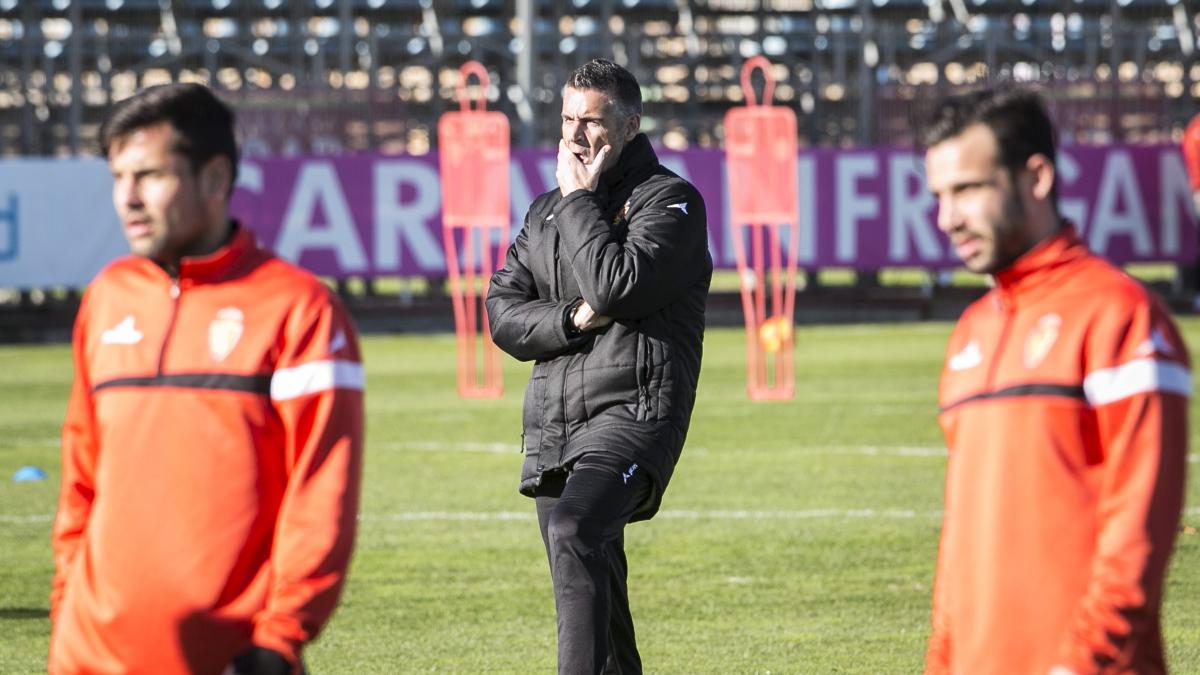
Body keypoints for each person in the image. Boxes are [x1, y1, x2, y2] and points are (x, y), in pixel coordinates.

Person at [51, 83, 365, 675]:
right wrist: (67, 610)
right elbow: (81, 482)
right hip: (85, 656)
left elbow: (322, 494)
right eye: (118, 178)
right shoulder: (106, 297)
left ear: (216, 179)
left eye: (149, 176)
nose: (127, 199)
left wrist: (278, 640)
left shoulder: (299, 310)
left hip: (232, 661)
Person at [921, 88, 1190, 675]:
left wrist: (1076, 666)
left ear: (1036, 178)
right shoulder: (970, 333)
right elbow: (962, 544)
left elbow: (1135, 543)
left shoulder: (1121, 315)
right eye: (939, 195)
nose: (947, 217)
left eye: (967, 189)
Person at [486, 59, 711, 674]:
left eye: (593, 122)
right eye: (568, 121)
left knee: (575, 529)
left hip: (635, 413)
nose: (578, 137)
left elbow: (615, 287)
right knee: (598, 602)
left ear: (631, 125)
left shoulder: (671, 202)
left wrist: (581, 200)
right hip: (556, 424)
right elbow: (504, 314)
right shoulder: (544, 213)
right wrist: (568, 322)